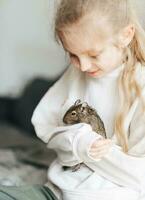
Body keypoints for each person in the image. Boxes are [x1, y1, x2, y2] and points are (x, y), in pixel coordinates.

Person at [1, 0, 145, 199]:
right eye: (73, 55)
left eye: (94, 55)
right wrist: (79, 142)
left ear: (125, 35)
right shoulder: (77, 73)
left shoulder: (140, 87)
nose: (84, 66)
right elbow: (45, 128)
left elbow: (139, 175)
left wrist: (83, 149)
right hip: (55, 191)